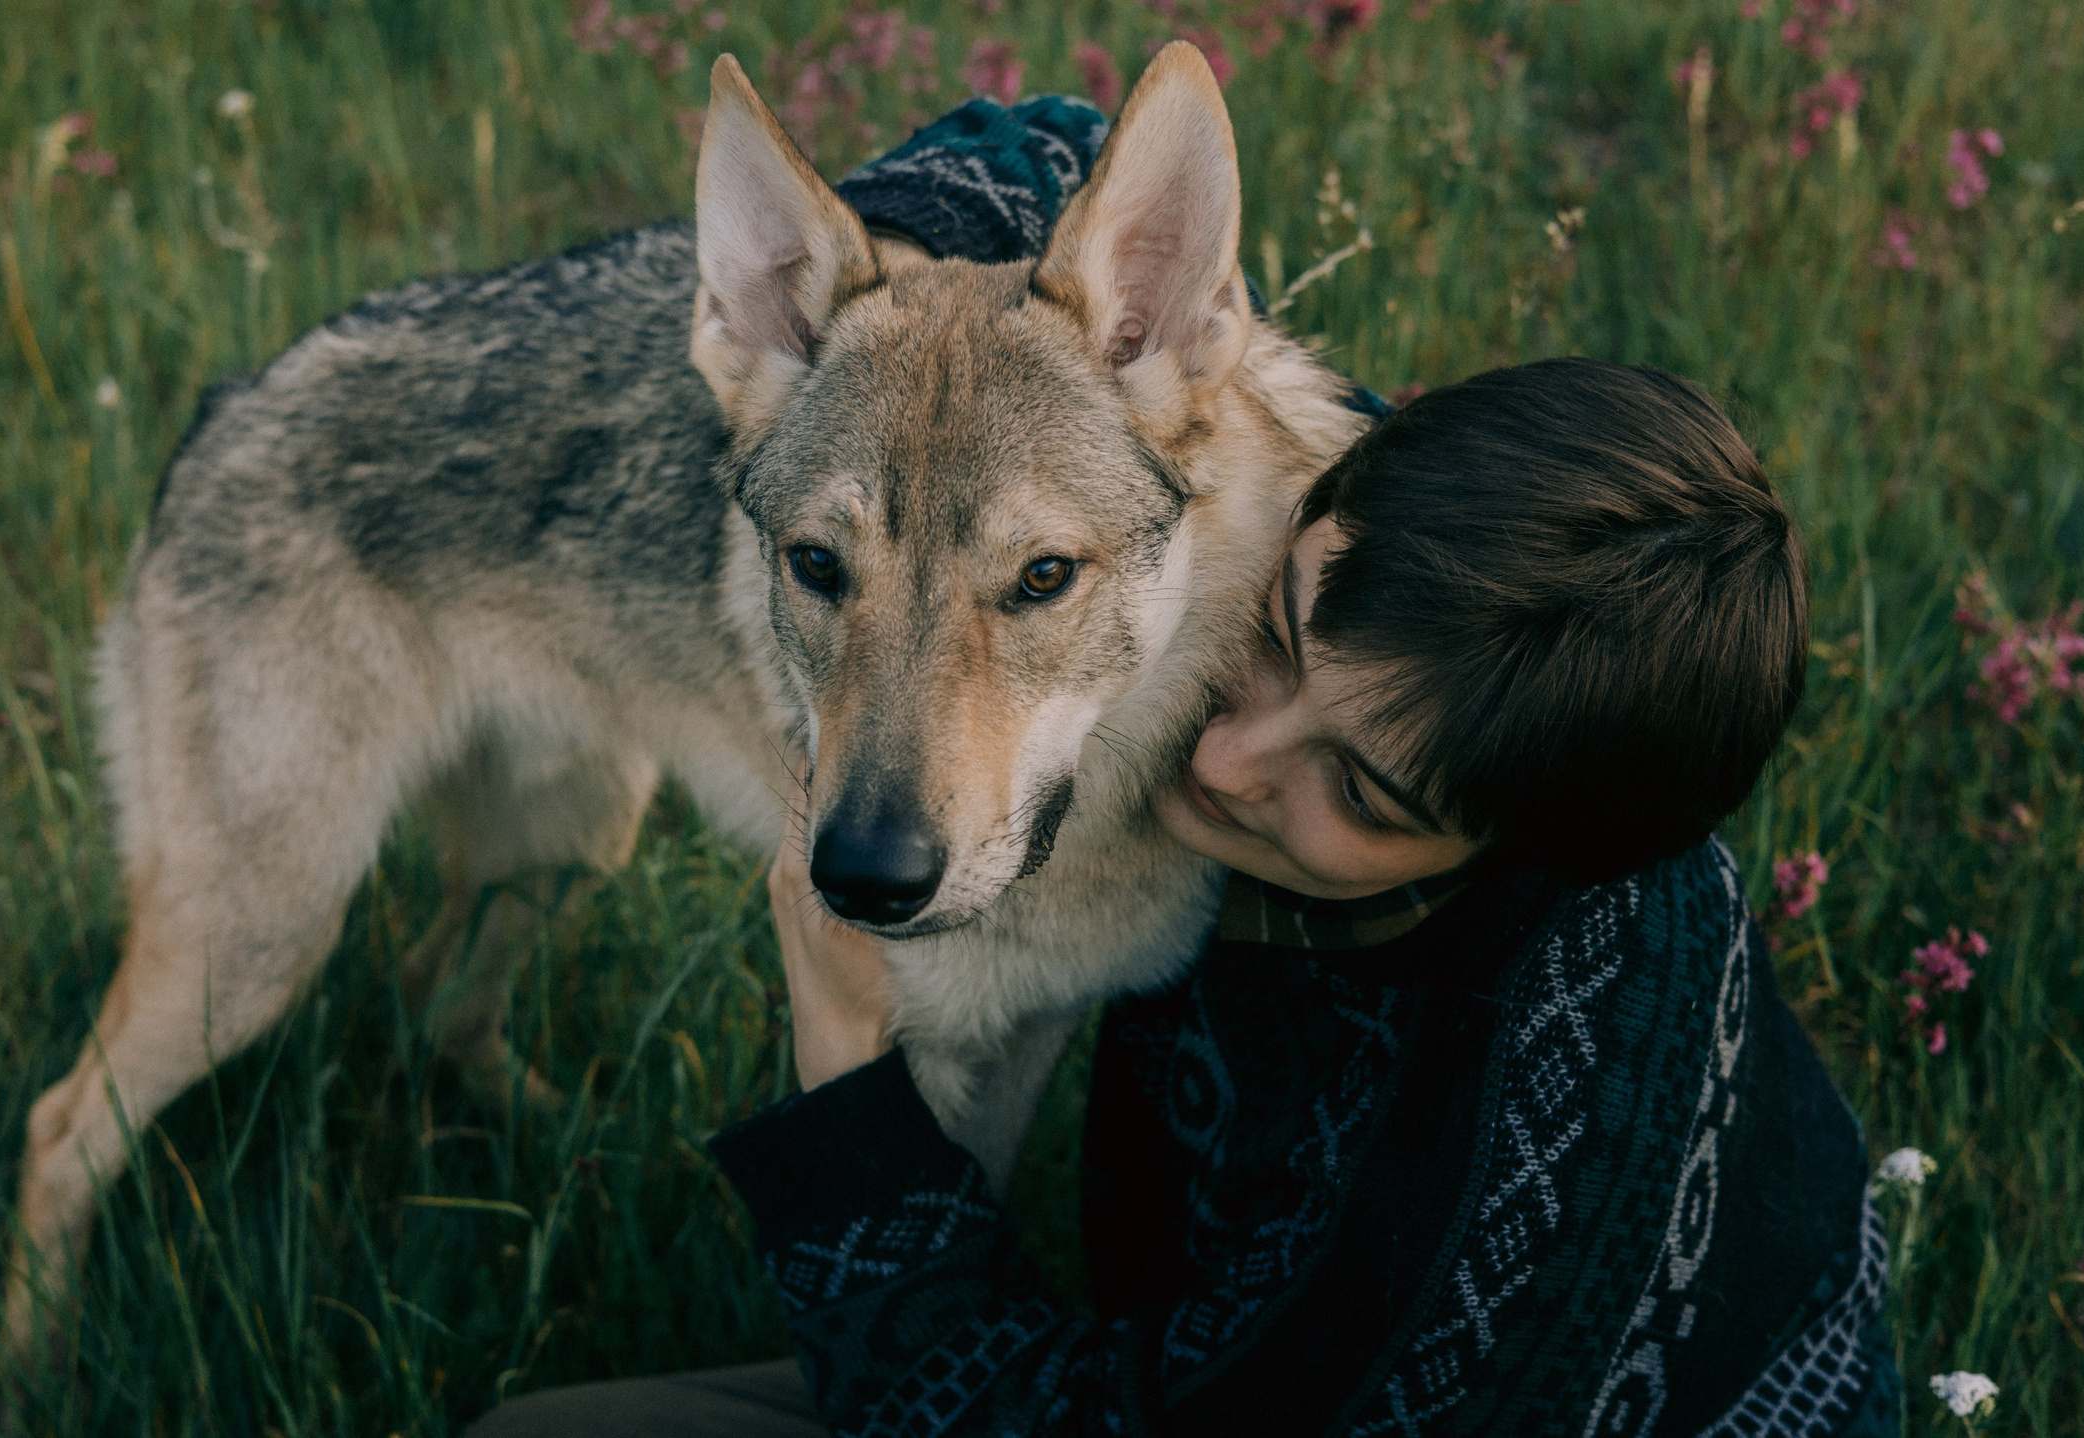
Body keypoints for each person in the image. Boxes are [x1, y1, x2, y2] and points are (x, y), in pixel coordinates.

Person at [476, 98, 1894, 1438]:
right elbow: (1044, 141)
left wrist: (846, 1072)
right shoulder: (1455, 576)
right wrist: (860, 341)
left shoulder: (1495, 1199)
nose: (1221, 755)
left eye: (1356, 792)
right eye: (1273, 639)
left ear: (1508, 852)